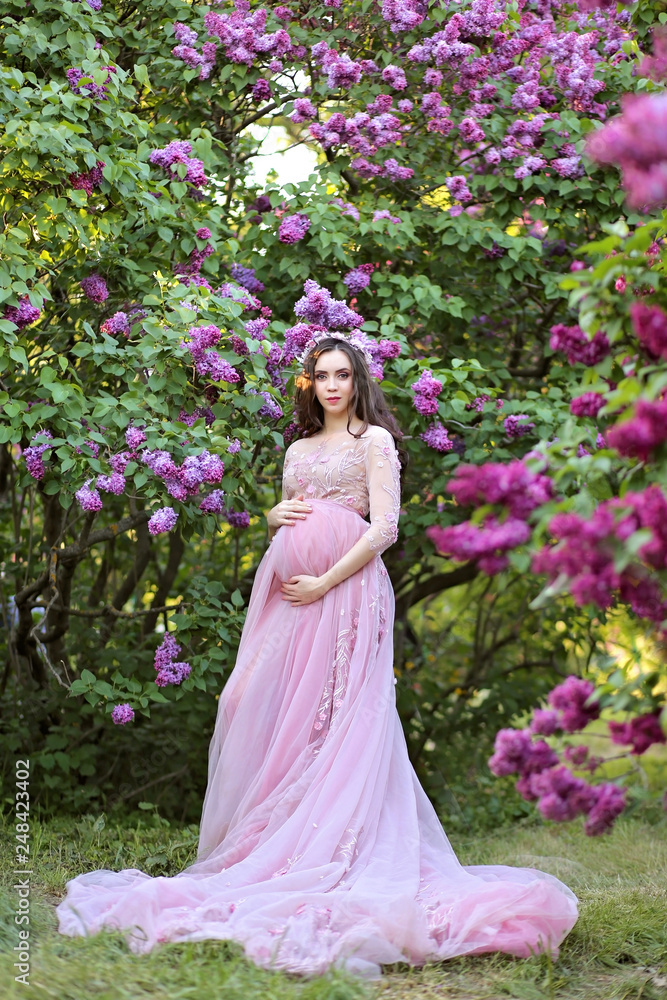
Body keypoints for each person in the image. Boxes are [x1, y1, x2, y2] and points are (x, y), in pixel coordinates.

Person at [56, 332, 578, 979]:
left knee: (345, 716)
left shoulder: (374, 443)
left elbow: (384, 527)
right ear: (309, 385)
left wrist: (326, 580)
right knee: (255, 703)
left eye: (342, 374)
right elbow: (289, 513)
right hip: (287, 600)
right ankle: (279, 839)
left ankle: (340, 839)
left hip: (347, 594)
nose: (332, 385)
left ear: (357, 380)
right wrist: (275, 516)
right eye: (321, 376)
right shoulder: (298, 447)